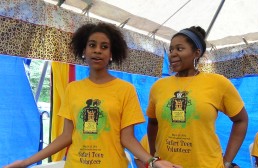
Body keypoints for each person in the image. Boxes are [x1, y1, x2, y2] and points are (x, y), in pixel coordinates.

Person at [4, 22, 181, 168]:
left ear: (111, 54)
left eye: (104, 47)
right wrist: (26, 162)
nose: (98, 50)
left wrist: (152, 161)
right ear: (83, 50)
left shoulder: (125, 89)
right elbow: (66, 136)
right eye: (92, 45)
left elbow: (127, 138)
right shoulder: (73, 88)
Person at [146, 26, 248, 168]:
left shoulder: (218, 83)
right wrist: (154, 158)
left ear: (196, 53)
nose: (172, 54)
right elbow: (152, 123)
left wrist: (227, 161)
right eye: (171, 50)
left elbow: (241, 120)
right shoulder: (159, 86)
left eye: (179, 49)